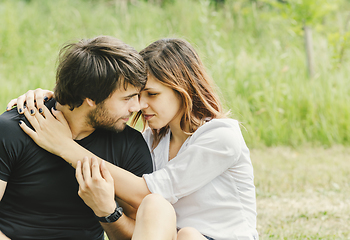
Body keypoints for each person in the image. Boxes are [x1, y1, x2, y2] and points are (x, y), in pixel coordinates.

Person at [9, 38, 258, 240]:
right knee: (159, 211)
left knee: (185, 231)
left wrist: (65, 146)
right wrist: (55, 98)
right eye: (136, 95)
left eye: (152, 94)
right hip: (171, 236)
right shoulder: (151, 140)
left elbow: (148, 191)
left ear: (184, 90)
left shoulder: (221, 135)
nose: (140, 105)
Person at [0, 36, 153, 240]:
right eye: (127, 98)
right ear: (90, 97)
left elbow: (141, 234)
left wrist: (108, 212)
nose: (136, 107)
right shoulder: (13, 130)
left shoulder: (129, 144)